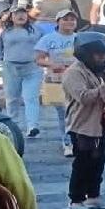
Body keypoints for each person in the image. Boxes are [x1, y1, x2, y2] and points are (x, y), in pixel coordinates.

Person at [61, 32, 105, 209]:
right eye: (98, 55)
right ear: (86, 54)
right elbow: (85, 97)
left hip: (99, 125)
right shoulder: (74, 73)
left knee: (97, 162)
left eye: (104, 55)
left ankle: (93, 196)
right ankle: (75, 202)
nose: (103, 58)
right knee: (83, 163)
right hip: (83, 126)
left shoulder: (98, 72)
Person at [34, 9, 78, 156]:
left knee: (76, 111)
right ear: (58, 21)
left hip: (77, 80)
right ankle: (67, 142)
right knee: (63, 112)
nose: (69, 22)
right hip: (56, 80)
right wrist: (51, 65)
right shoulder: (48, 39)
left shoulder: (79, 38)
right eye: (66, 19)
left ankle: (77, 139)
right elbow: (39, 59)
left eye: (72, 19)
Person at [0, 7, 43, 139]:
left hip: (32, 67)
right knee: (12, 99)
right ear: (11, 16)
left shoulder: (37, 30)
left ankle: (32, 126)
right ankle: (14, 126)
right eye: (17, 13)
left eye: (23, 13)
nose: (21, 16)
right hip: (11, 68)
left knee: (31, 97)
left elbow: (46, 45)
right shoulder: (5, 32)